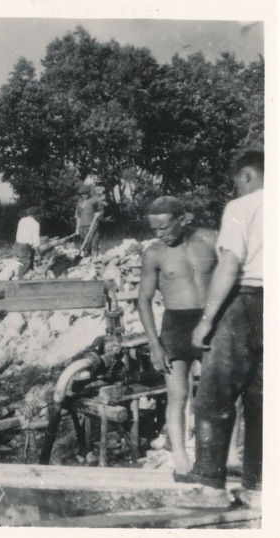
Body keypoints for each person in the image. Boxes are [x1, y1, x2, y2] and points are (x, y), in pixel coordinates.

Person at [178, 151, 264, 508]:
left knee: (214, 397)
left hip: (245, 302)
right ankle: (260, 490)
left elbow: (229, 265)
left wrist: (207, 321)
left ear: (246, 175)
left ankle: (211, 488)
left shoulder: (243, 207)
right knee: (264, 400)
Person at [137, 196, 217, 474]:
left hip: (209, 323)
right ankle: (181, 458)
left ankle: (221, 457)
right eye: (154, 229)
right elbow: (143, 300)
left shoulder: (211, 240)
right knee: (178, 394)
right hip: (175, 326)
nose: (159, 234)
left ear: (183, 219)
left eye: (164, 227)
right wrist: (155, 345)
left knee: (219, 393)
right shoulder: (154, 253)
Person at [74, 184, 104, 257]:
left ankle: (95, 260)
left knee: (94, 243)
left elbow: (102, 210)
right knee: (86, 246)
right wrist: (77, 229)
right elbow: (78, 215)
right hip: (82, 226)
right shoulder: (80, 202)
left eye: (85, 194)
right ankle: (87, 261)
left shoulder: (95, 199)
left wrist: (99, 213)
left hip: (92, 225)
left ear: (88, 193)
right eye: (82, 194)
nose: (83, 195)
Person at [13, 206, 41, 276]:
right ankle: (20, 282)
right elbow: (36, 240)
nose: (40, 216)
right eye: (39, 214)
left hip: (17, 244)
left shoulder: (22, 220)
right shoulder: (35, 224)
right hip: (25, 247)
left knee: (23, 262)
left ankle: (27, 275)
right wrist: (39, 253)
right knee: (26, 262)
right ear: (35, 215)